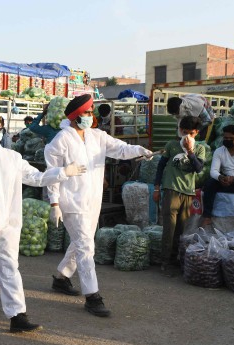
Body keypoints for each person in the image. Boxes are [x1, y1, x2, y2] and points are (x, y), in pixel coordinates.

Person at [0, 111, 86, 332]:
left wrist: (63, 172)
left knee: (9, 269)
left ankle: (17, 315)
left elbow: (36, 177)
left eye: (0, 129)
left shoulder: (11, 158)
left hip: (8, 224)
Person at [45, 94, 153, 317]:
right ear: (76, 116)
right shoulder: (61, 140)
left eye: (90, 112)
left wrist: (140, 151)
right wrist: (54, 201)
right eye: (87, 112)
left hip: (93, 201)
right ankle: (92, 296)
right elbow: (52, 174)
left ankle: (61, 277)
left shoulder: (97, 136)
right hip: (71, 202)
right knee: (86, 246)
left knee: (81, 242)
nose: (90, 116)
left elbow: (121, 149)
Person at [153, 116, 206, 271]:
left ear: (196, 133)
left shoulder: (200, 148)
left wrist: (190, 151)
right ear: (180, 130)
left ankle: (175, 258)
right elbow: (160, 167)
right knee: (169, 228)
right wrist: (157, 188)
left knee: (180, 229)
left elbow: (199, 168)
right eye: (184, 132)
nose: (187, 136)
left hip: (188, 192)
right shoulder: (172, 145)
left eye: (191, 133)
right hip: (171, 190)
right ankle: (165, 262)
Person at [201, 124, 234, 226]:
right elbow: (213, 171)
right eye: (225, 138)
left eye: (231, 138)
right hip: (223, 179)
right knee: (209, 184)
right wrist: (220, 177)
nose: (227, 140)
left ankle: (222, 188)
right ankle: (207, 216)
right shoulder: (219, 151)